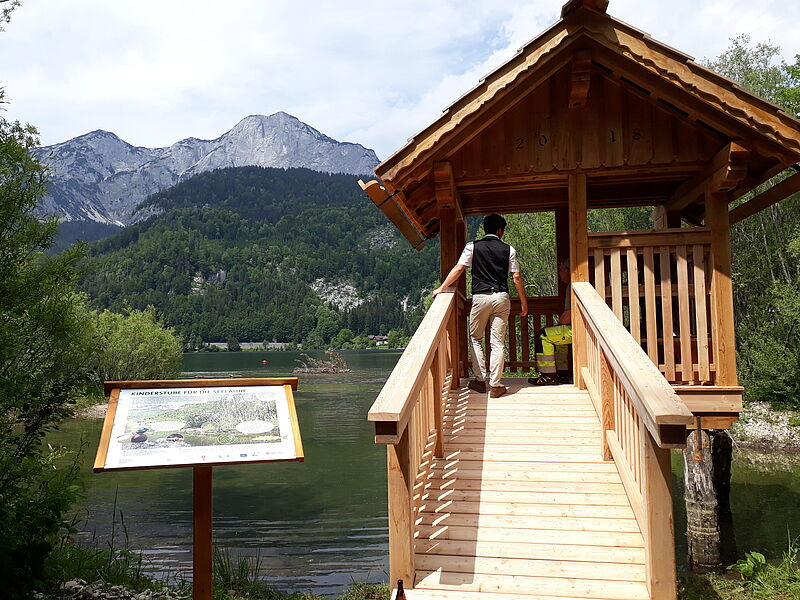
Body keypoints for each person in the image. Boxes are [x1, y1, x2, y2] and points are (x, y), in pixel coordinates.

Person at [433, 214, 528, 398]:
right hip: (501, 297)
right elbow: (516, 277)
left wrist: (442, 288)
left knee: (476, 338)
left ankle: (479, 380)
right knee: (497, 342)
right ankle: (496, 385)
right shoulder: (509, 249)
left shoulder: (472, 246)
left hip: (480, 297)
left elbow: (459, 268)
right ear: (500, 231)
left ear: (485, 229)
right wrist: (524, 302)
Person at [528, 259, 572, 385]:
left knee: (543, 335)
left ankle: (548, 375)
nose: (559, 273)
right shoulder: (571, 286)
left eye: (561, 270)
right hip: (578, 329)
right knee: (557, 338)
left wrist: (558, 326)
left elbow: (569, 314)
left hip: (574, 330)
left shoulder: (572, 287)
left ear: (568, 271)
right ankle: (562, 374)